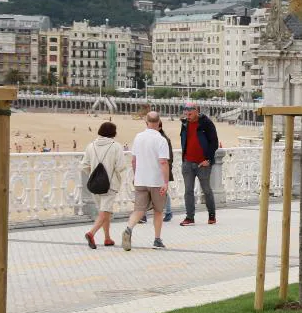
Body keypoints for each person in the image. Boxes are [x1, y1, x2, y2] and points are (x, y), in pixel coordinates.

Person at [122, 111, 171, 250]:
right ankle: (157, 240)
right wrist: (166, 182)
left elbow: (134, 160)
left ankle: (128, 229)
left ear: (146, 122)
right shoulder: (161, 140)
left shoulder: (138, 137)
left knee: (138, 210)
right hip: (156, 181)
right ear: (159, 123)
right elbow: (163, 163)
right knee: (158, 211)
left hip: (141, 180)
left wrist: (136, 176)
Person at [81, 122, 128, 249]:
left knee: (104, 212)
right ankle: (91, 233)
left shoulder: (90, 146)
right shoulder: (116, 147)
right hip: (110, 185)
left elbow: (84, 165)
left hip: (95, 185)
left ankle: (107, 238)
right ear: (113, 133)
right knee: (104, 212)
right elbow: (121, 166)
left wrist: (94, 173)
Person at [179, 102, 219, 226]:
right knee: (188, 191)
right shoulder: (185, 124)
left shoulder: (206, 123)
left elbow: (214, 142)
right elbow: (184, 140)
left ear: (197, 111)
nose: (188, 116)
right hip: (188, 163)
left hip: (203, 164)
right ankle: (190, 217)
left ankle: (212, 215)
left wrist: (208, 159)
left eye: (190, 114)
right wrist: (185, 159)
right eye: (186, 114)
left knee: (206, 190)